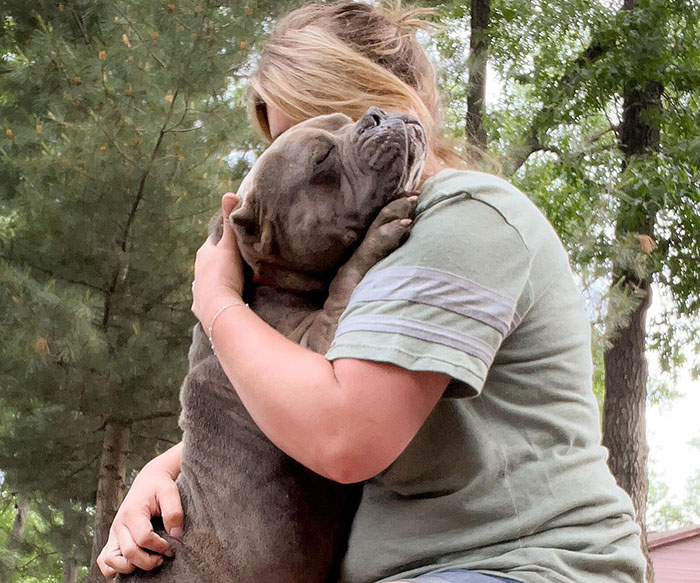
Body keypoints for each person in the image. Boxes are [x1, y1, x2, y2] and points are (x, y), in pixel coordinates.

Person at [97, 2, 646, 583]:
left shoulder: (466, 216)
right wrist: (165, 473)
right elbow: (306, 400)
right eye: (285, 144)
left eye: (320, 132)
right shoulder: (350, 259)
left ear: (389, 101)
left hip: (516, 564)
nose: (291, 164)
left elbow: (345, 435)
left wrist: (217, 304)